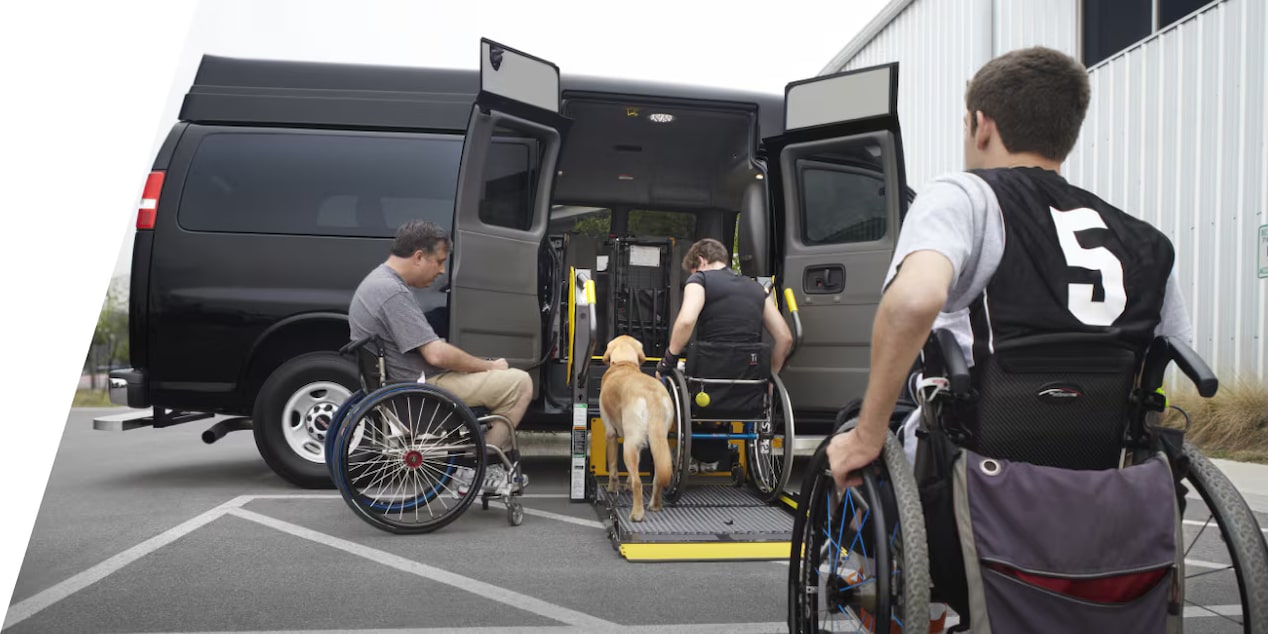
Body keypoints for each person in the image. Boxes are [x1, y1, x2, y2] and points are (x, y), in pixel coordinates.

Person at [825, 46, 1193, 630]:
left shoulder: (966, 196)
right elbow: (1170, 356)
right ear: (1068, 132)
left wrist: (867, 435)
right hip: (1102, 490)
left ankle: (892, 596)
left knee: (856, 430)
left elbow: (913, 301)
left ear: (981, 124)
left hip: (972, 479)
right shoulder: (1145, 239)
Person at [348, 219, 534, 494]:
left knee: (491, 373)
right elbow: (435, 354)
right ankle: (478, 470)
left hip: (402, 386)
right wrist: (489, 366)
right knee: (519, 383)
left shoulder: (375, 282)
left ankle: (483, 462)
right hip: (419, 393)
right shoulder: (391, 292)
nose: (442, 270)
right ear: (419, 256)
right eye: (439, 261)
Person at [655, 238, 794, 472]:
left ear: (701, 261)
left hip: (707, 383)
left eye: (693, 270)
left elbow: (687, 320)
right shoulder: (757, 289)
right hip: (750, 382)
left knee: (669, 380)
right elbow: (785, 338)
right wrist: (769, 379)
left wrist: (668, 359)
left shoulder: (700, 280)